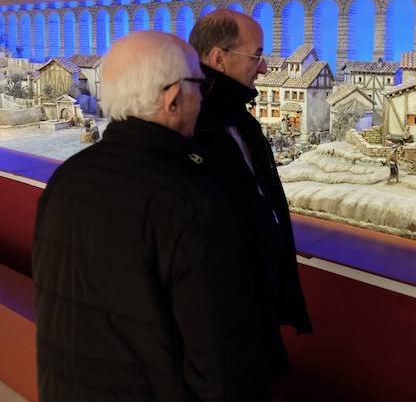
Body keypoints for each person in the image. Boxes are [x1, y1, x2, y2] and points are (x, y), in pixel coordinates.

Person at [32, 31, 270, 402]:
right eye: (200, 85)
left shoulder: (67, 178)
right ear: (174, 97)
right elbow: (220, 361)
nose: (202, 96)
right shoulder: (191, 203)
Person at [189, 9, 312, 375]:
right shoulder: (188, 126)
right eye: (256, 55)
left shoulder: (242, 122)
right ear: (218, 58)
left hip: (253, 307)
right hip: (220, 320)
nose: (263, 68)